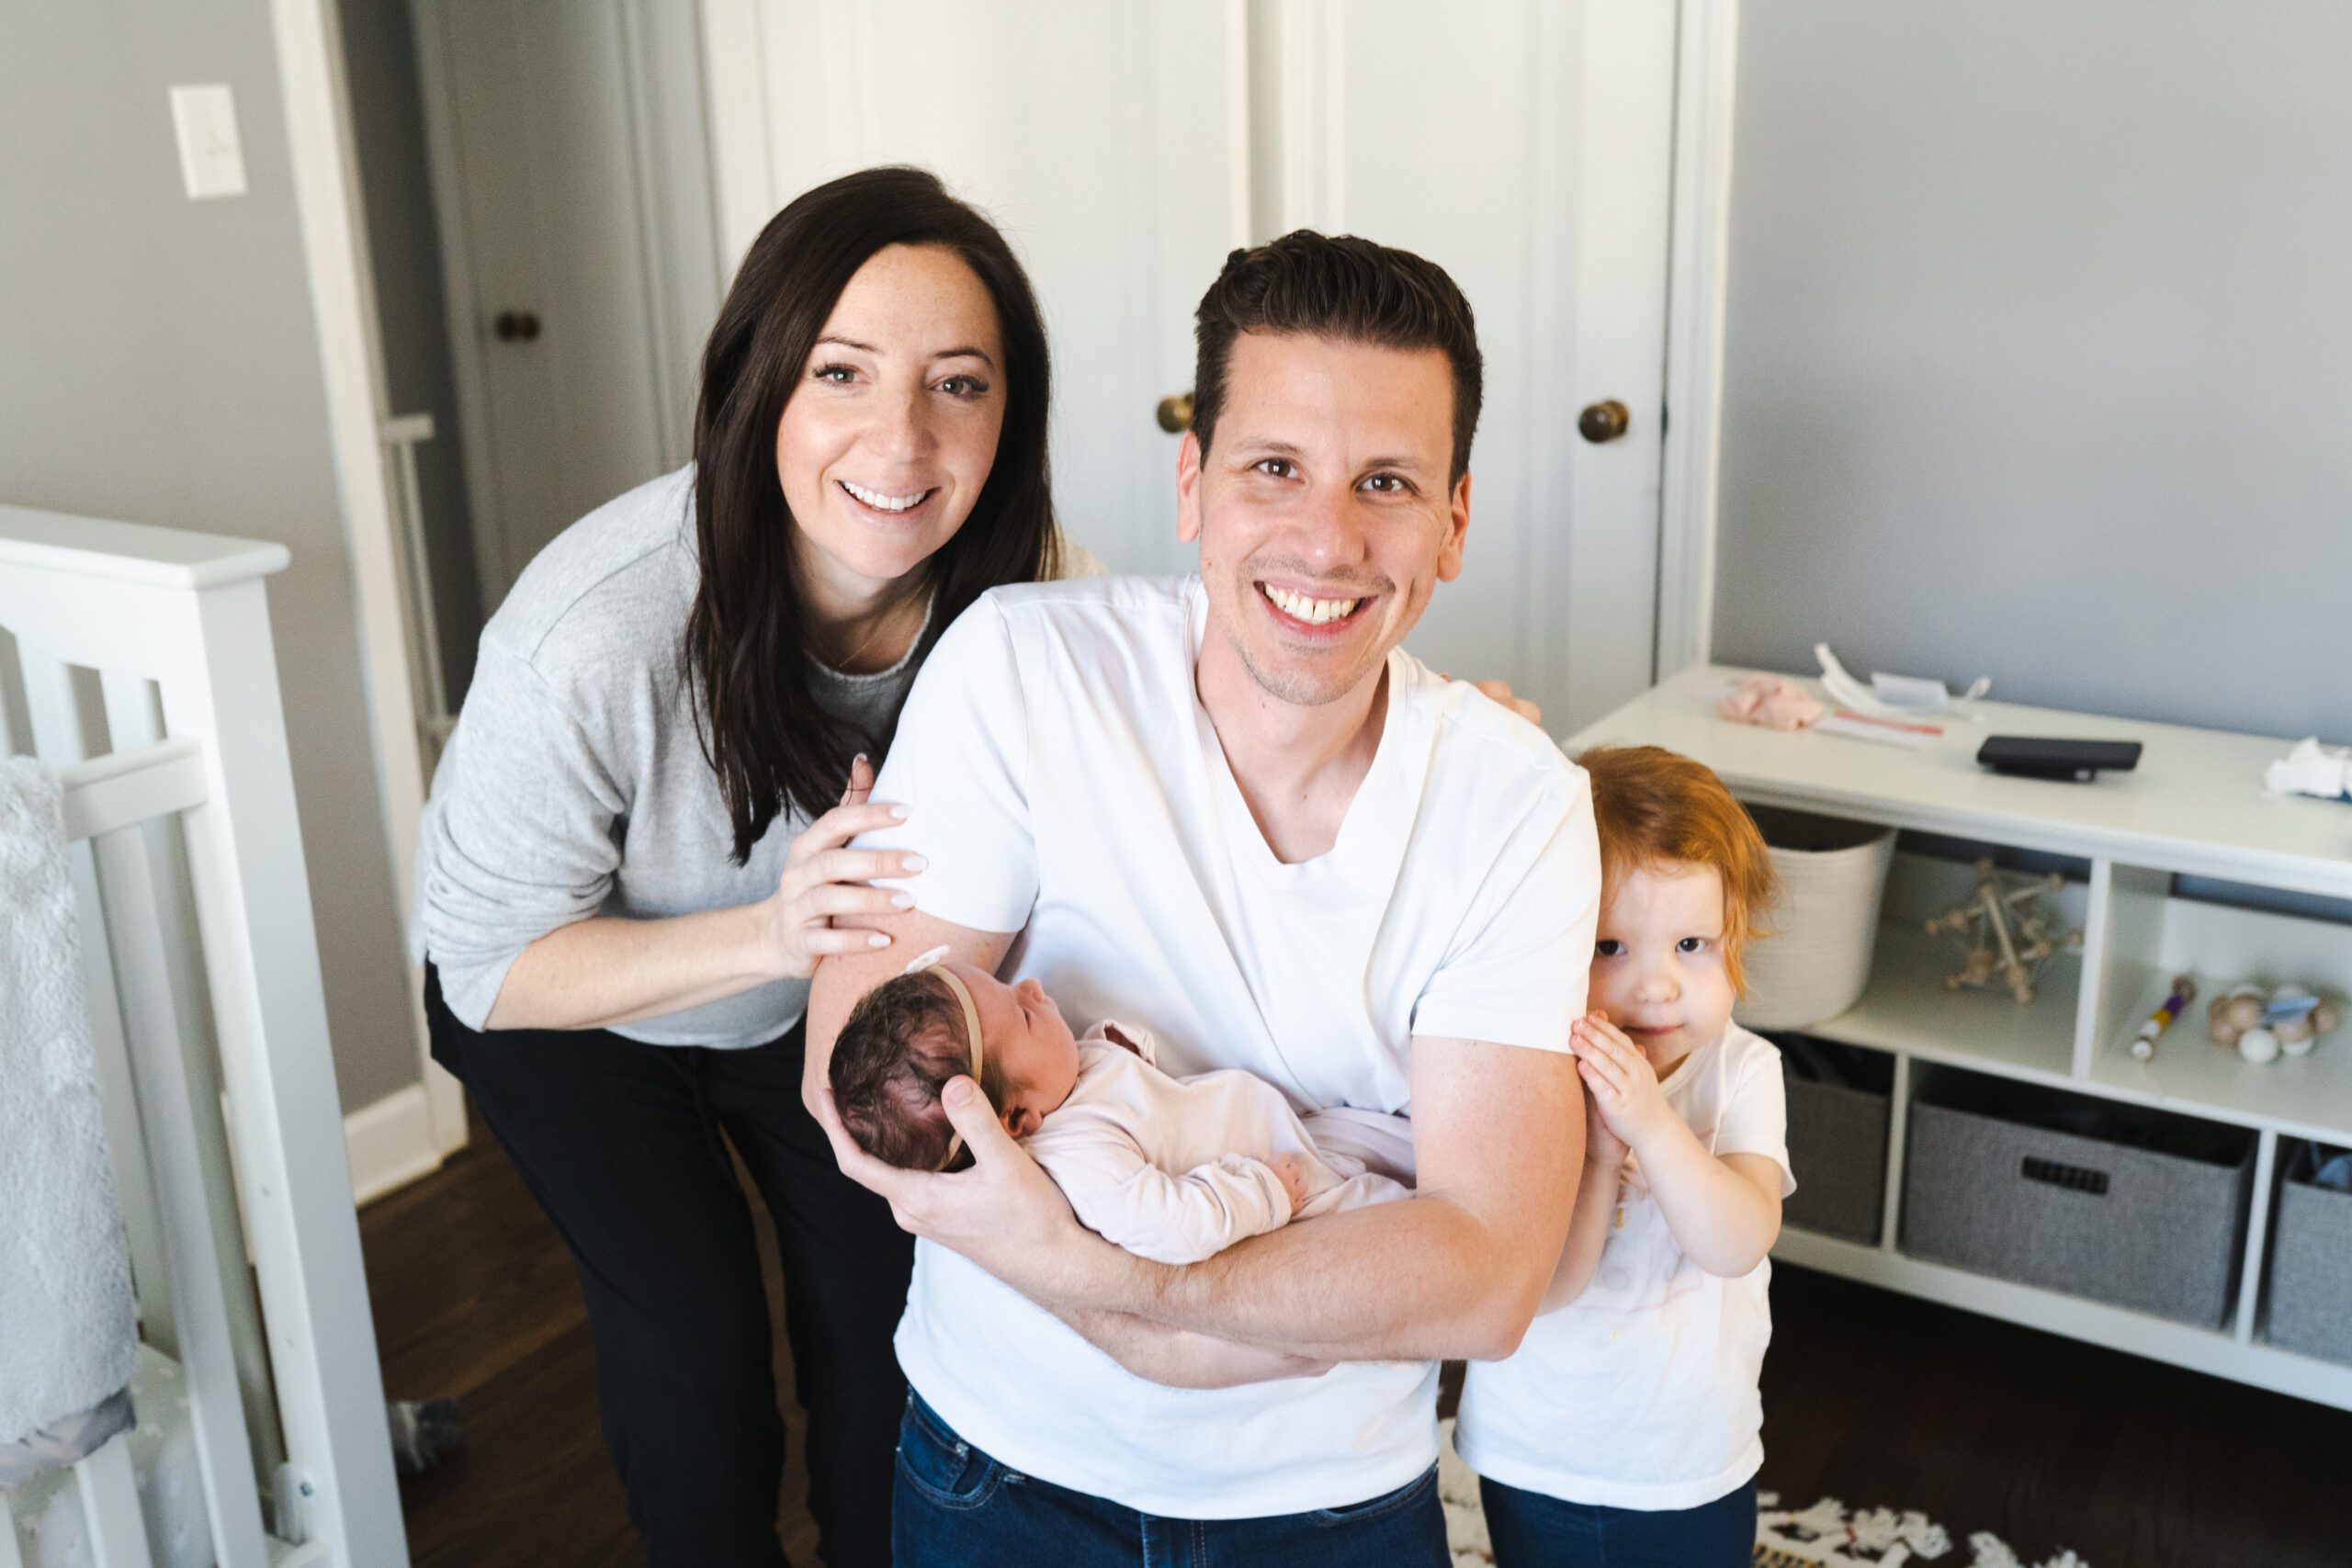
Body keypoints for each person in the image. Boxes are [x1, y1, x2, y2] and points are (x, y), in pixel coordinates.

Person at [804, 231, 1600, 1565]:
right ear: (1193, 482)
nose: (1327, 538)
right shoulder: (1019, 670)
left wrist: (1112, 1281)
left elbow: (1488, 1268)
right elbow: (860, 1080)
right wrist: (1190, 1312)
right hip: (998, 1466)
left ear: (1455, 521)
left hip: (1331, 1506)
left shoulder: (1517, 804)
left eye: (1387, 481)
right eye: (1274, 467)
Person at [410, 166, 1080, 1568]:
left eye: (959, 383)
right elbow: (484, 962)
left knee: (889, 1309)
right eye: (843, 371)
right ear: (757, 383)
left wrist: (1425, 719)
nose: (901, 438)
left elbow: (1193, 695)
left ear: (1008, 415)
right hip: (575, 1005)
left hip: (813, 994)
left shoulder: (1026, 599)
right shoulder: (593, 628)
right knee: (697, 1344)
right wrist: (770, 933)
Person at [1453, 743, 1794, 1568]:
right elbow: (1544, 1285)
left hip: (1691, 1460)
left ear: (1736, 939)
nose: (1656, 986)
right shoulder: (1531, 1071)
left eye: (1691, 945)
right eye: (1612, 947)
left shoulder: (1742, 1070)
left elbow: (1737, 1239)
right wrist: (1601, 1159)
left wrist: (1652, 1124)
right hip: (1533, 1449)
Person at [828, 956, 1410, 1263]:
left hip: (1294, 1133)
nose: (1030, 986)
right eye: (1024, 1013)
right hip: (1292, 1191)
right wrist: (1265, 1194)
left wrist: (1119, 1045)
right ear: (1014, 1123)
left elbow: (1143, 1103)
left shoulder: (1059, 1084)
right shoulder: (1081, 1159)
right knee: (1401, 1224)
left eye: (1009, 986)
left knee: (1421, 1150)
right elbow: (1175, 1226)